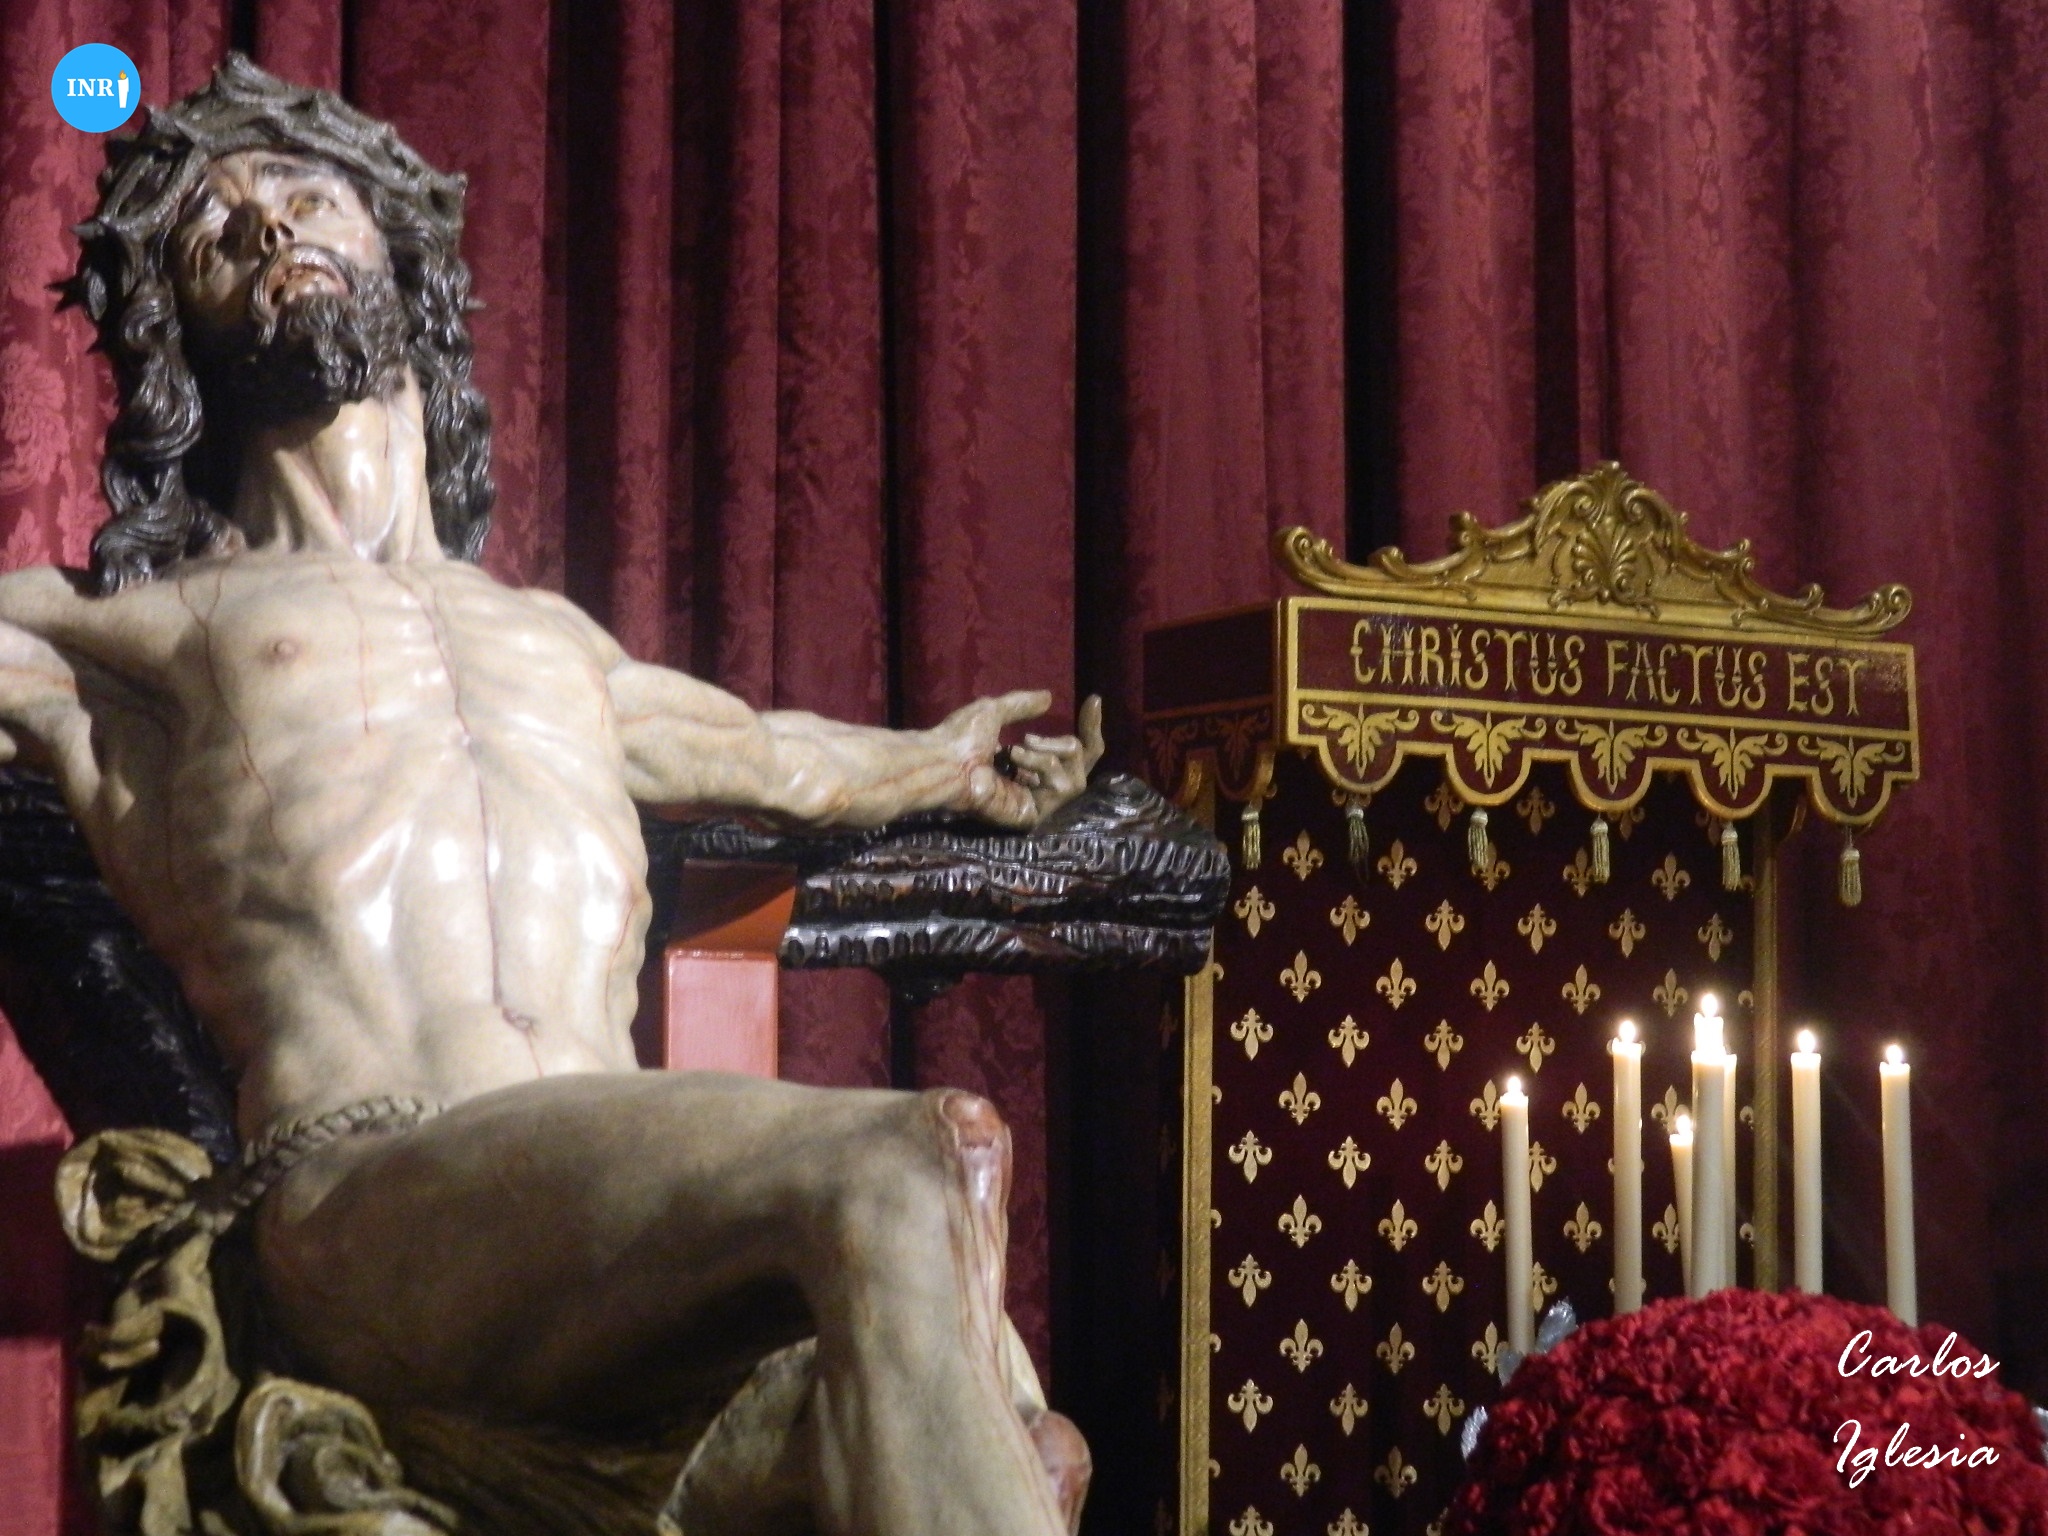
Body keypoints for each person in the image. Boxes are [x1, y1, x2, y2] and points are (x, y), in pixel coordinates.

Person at [4, 54, 1096, 1535]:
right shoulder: (133, 636)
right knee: (910, 1168)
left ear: (397, 248)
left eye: (306, 193)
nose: (266, 226)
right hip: (369, 1193)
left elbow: (791, 758)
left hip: (604, 1209)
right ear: (175, 327)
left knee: (1017, 1433)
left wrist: (965, 768)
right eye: (215, 231)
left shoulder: (564, 650)